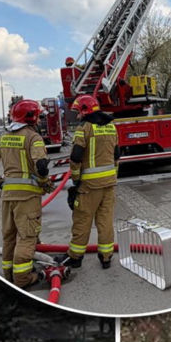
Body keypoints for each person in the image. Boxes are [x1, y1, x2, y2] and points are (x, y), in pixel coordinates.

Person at [0, 99, 51, 288]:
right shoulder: (32, 137)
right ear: (32, 117)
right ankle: (22, 279)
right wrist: (45, 183)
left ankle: (9, 274)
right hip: (27, 197)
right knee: (27, 237)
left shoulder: (3, 137)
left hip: (8, 196)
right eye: (39, 115)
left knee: (9, 237)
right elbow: (41, 166)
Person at [56, 94, 119, 270]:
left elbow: (76, 157)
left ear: (85, 110)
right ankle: (106, 257)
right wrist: (112, 177)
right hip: (109, 184)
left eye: (78, 112)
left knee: (82, 220)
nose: (77, 116)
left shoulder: (84, 129)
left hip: (89, 187)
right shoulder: (111, 127)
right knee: (105, 222)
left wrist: (76, 179)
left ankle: (75, 257)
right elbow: (117, 155)